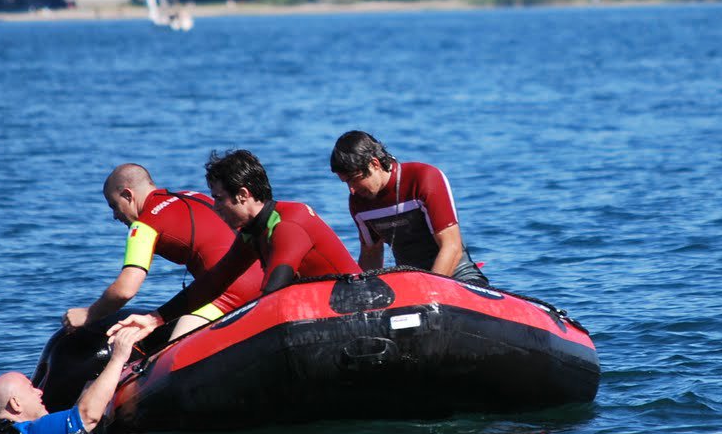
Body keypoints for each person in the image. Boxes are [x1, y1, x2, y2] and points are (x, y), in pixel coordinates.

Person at [111, 149, 360, 341]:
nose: (215, 208)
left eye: (219, 199)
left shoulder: (287, 225)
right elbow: (215, 280)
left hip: (355, 309)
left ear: (243, 194)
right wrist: (156, 318)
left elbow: (273, 294)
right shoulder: (252, 232)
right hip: (323, 310)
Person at [62, 163, 263, 335]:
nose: (115, 216)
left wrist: (89, 314)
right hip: (266, 282)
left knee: (167, 357)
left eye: (114, 205)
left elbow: (125, 290)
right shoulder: (193, 196)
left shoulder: (144, 225)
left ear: (127, 195)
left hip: (229, 297)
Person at [329, 131, 486, 284]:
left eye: (354, 179)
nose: (352, 190)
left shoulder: (424, 179)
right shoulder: (358, 201)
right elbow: (371, 253)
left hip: (460, 280)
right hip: (411, 286)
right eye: (346, 183)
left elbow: (452, 246)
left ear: (374, 164)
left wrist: (431, 292)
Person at [0, 323, 150, 434]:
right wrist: (118, 358)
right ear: (15, 404)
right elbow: (87, 417)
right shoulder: (28, 430)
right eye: (31, 389)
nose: (39, 392)